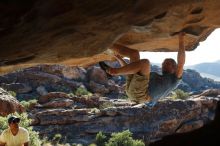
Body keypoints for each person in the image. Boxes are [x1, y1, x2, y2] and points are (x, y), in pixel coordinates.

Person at [99, 32, 185, 105]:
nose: (163, 65)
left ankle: (112, 72)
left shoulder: (174, 79)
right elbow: (130, 71)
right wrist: (119, 58)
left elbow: (181, 63)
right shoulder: (156, 77)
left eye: (167, 63)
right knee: (134, 54)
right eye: (163, 63)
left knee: (145, 63)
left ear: (175, 67)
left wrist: (181, 39)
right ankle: (105, 44)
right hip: (133, 91)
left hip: (142, 95)